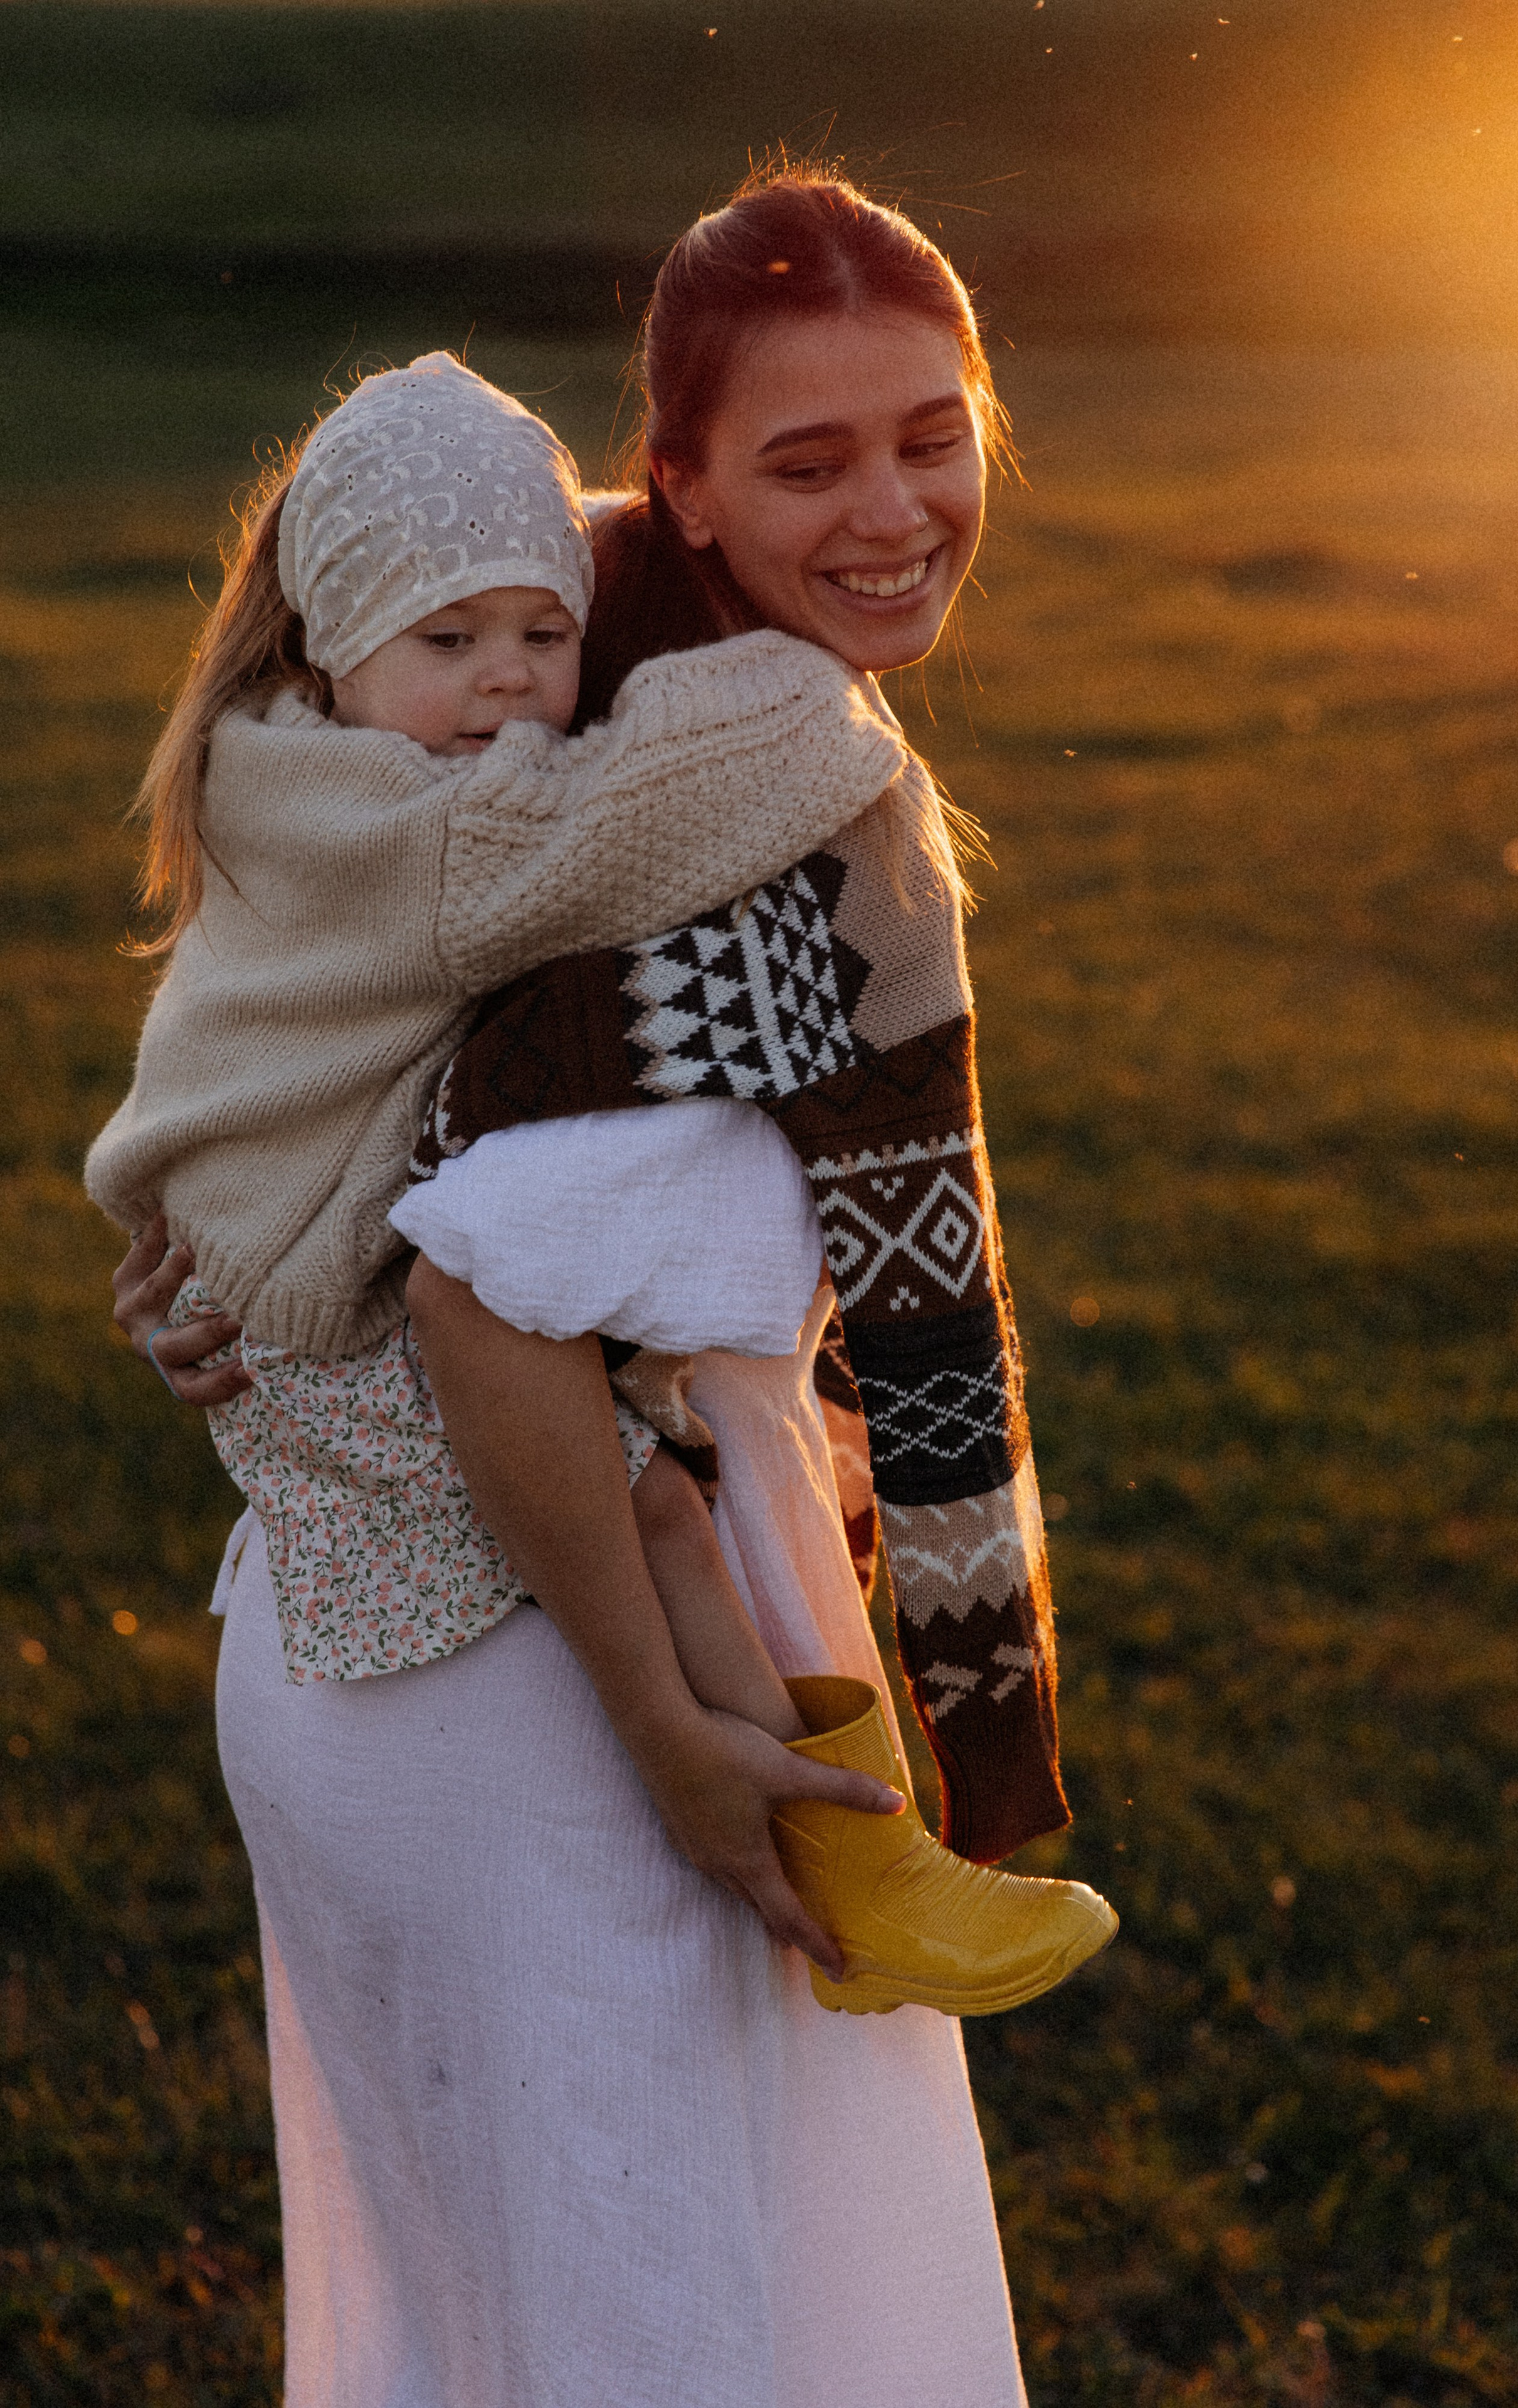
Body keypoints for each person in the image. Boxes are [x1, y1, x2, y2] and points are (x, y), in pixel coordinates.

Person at [106, 169, 1088, 2406]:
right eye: (808, 459)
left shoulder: (517, 708)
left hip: (438, 1639)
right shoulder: (693, 833)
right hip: (538, 1692)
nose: (896, 509)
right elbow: (483, 1300)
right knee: (648, 2339)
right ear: (687, 489)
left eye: (932, 432)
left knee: (517, 2325)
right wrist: (673, 1746)